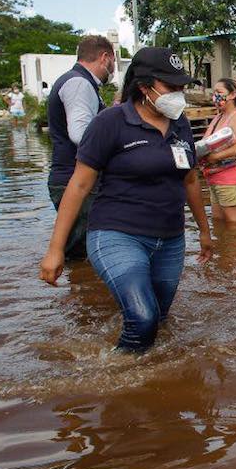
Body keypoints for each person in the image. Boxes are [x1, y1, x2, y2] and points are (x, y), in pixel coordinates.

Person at [39, 47, 212, 353]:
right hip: (117, 234)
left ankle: (151, 383)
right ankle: (117, 382)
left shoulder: (180, 124)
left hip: (170, 240)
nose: (180, 95)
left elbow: (189, 179)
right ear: (145, 87)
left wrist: (205, 231)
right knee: (143, 318)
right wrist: (56, 250)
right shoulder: (110, 123)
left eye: (182, 87)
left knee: (158, 318)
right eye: (171, 88)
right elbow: (78, 186)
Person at [46, 35, 115, 259]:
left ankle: (81, 292)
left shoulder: (73, 80)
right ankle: (83, 293)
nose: (112, 68)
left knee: (84, 255)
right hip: (76, 181)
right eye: (113, 61)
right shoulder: (79, 83)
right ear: (105, 57)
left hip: (70, 178)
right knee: (84, 257)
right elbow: (79, 134)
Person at [201, 78, 236, 224]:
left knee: (235, 228)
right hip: (215, 179)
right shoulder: (219, 116)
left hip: (231, 181)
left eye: (219, 92)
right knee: (219, 224)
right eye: (214, 92)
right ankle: (224, 247)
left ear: (232, 95)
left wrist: (216, 157)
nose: (215, 96)